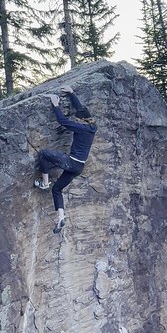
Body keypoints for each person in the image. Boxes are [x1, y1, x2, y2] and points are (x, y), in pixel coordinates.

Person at [34, 85, 97, 234]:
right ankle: (61, 217)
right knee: (57, 189)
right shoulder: (92, 126)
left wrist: (55, 105)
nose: (75, 120)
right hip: (79, 167)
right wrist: (72, 94)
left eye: (77, 120)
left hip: (71, 162)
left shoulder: (81, 128)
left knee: (43, 153)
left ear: (82, 121)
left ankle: (44, 182)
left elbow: (62, 121)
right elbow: (80, 109)